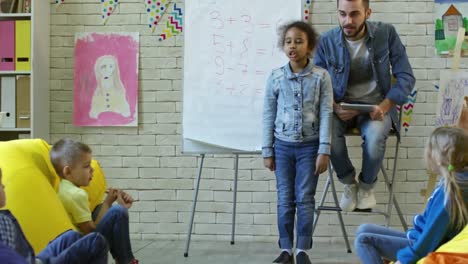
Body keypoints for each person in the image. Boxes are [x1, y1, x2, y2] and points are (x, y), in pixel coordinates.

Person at [314, 0, 415, 211]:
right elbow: (317, 82)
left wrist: (386, 106)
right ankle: (349, 183)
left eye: (354, 14)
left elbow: (406, 76)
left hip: (376, 106)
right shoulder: (327, 41)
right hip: (340, 105)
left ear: (368, 13)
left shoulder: (386, 34)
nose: (347, 21)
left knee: (376, 136)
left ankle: (367, 186)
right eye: (342, 14)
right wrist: (334, 107)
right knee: (326, 134)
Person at [262, 21, 333, 264]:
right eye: (288, 41)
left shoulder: (321, 77)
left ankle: (302, 250)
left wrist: (324, 149)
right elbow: (268, 115)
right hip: (282, 148)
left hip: (310, 148)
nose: (293, 45)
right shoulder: (276, 77)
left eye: (299, 41)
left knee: (305, 197)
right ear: (284, 46)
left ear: (310, 46)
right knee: (284, 198)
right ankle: (286, 250)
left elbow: (326, 114)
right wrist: (267, 149)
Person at [354, 127, 468, 264]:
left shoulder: (448, 195)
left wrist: (404, 260)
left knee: (363, 241)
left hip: (420, 245)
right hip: (417, 236)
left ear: (438, 158)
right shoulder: (457, 179)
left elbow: (428, 240)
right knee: (363, 229)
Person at [49, 138, 138, 264]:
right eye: (86, 166)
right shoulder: (76, 194)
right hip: (84, 248)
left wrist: (109, 205)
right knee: (117, 211)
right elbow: (90, 232)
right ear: (68, 171)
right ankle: (127, 261)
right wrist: (110, 204)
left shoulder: (64, 187)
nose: (92, 169)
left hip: (80, 242)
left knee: (101, 209)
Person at [0, 167, 109, 264]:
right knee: (96, 241)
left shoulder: (4, 217)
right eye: (0, 184)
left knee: (72, 236)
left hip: (33, 259)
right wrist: (107, 203)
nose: (4, 186)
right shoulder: (2, 221)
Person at [89, 55, 131, 119]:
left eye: (111, 66)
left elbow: (126, 111)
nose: (107, 69)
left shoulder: (119, 88)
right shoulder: (97, 91)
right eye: (103, 66)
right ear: (98, 69)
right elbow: (93, 113)